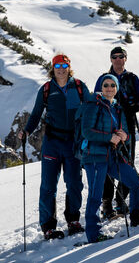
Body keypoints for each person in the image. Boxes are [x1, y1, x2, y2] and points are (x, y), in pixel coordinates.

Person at [18, 54, 90, 240]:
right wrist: (26, 131)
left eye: (64, 65)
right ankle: (48, 226)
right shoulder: (47, 89)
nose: (61, 68)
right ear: (53, 67)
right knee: (48, 185)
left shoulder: (80, 87)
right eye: (57, 65)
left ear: (69, 67)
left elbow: (91, 109)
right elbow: (35, 114)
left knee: (74, 182)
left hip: (73, 142)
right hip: (52, 142)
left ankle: (73, 220)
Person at [81, 74, 139, 243]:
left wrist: (124, 136)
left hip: (113, 156)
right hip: (94, 156)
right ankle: (93, 234)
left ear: (117, 88)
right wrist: (109, 137)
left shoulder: (117, 108)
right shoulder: (93, 105)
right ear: (100, 87)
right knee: (95, 195)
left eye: (112, 85)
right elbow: (87, 131)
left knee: (137, 182)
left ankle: (137, 217)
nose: (109, 88)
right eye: (106, 85)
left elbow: (126, 133)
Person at [94, 46, 139, 219]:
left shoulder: (132, 78)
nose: (117, 59)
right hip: (108, 126)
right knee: (108, 164)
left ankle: (121, 199)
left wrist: (132, 108)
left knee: (127, 161)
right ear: (111, 59)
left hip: (127, 125)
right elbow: (96, 100)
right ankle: (107, 204)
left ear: (125, 58)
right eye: (114, 57)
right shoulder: (104, 78)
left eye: (121, 56)